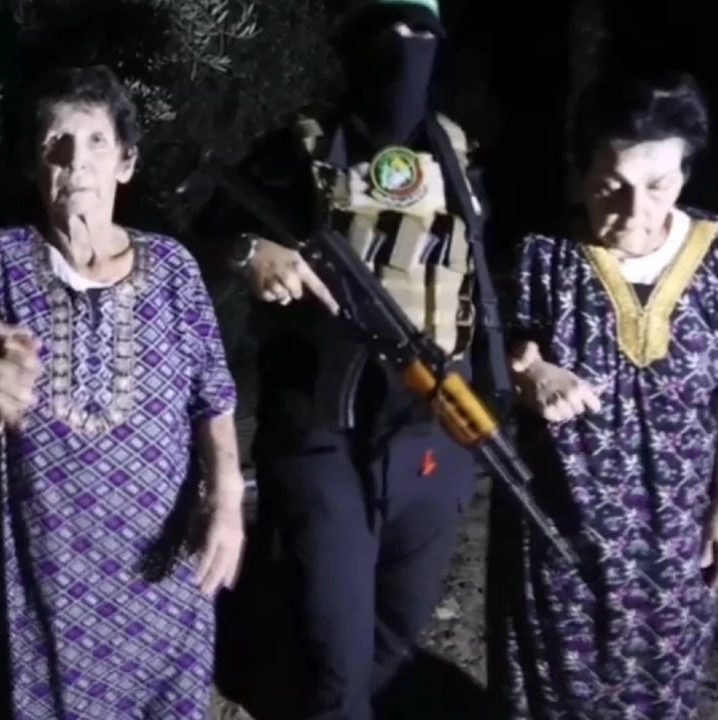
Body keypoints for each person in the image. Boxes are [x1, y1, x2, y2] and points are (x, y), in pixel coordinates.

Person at [192, 1, 511, 717]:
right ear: (353, 45)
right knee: (335, 655)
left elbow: (481, 282)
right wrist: (250, 252)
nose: (406, 50)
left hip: (435, 428)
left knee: (392, 636)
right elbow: (201, 244)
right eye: (388, 34)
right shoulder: (299, 150)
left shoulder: (459, 158)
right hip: (322, 430)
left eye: (421, 34)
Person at [0, 65, 246, 720]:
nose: (75, 161)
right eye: (56, 144)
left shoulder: (173, 269)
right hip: (44, 576)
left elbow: (213, 394)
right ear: (33, 168)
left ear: (126, 163)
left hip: (161, 573)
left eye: (96, 141)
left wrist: (227, 499)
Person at [487, 69, 718, 719]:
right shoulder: (544, 256)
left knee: (662, 692)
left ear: (686, 173)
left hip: (673, 542)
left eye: (659, 186)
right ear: (581, 172)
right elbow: (489, 357)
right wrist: (529, 374)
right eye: (611, 187)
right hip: (558, 539)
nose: (634, 213)